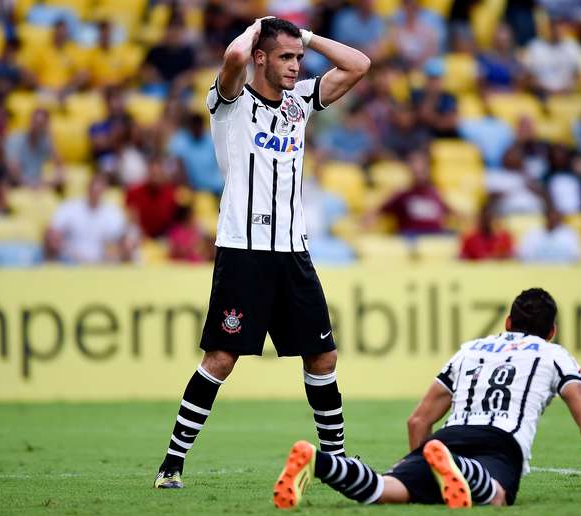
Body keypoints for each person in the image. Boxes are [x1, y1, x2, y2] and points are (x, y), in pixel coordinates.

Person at [153, 17, 370, 489]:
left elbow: (359, 65)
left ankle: (335, 464)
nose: (295, 66)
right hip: (243, 250)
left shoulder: (300, 103)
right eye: (286, 57)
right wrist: (257, 27)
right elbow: (232, 59)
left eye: (298, 59)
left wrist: (305, 37)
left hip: (293, 250)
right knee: (222, 358)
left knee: (323, 358)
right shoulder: (229, 104)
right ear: (261, 57)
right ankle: (172, 463)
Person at [272, 288, 581, 509]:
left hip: (447, 438)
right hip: (500, 442)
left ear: (508, 322)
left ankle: (321, 462)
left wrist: (415, 467)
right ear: (551, 332)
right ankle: (460, 469)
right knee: (496, 496)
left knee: (389, 489)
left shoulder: (472, 350)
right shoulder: (554, 354)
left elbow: (418, 420)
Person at [45, 174, 130, 264]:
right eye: (93, 189)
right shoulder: (70, 207)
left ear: (104, 191)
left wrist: (117, 252)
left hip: (102, 263)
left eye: (99, 190)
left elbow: (124, 238)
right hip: (70, 261)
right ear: (87, 188)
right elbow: (52, 230)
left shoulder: (113, 212)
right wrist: (60, 244)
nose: (96, 193)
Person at [367, 150, 451, 236]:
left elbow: (451, 211)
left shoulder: (435, 193)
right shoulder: (402, 194)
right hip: (411, 235)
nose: (419, 172)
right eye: (416, 168)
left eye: (423, 169)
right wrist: (369, 220)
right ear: (410, 170)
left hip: (435, 234)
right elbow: (380, 210)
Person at [517, 204, 581, 263]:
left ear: (560, 218)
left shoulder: (570, 234)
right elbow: (523, 256)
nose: (553, 219)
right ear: (546, 217)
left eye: (556, 216)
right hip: (537, 271)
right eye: (551, 216)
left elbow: (577, 257)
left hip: (563, 272)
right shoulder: (533, 234)